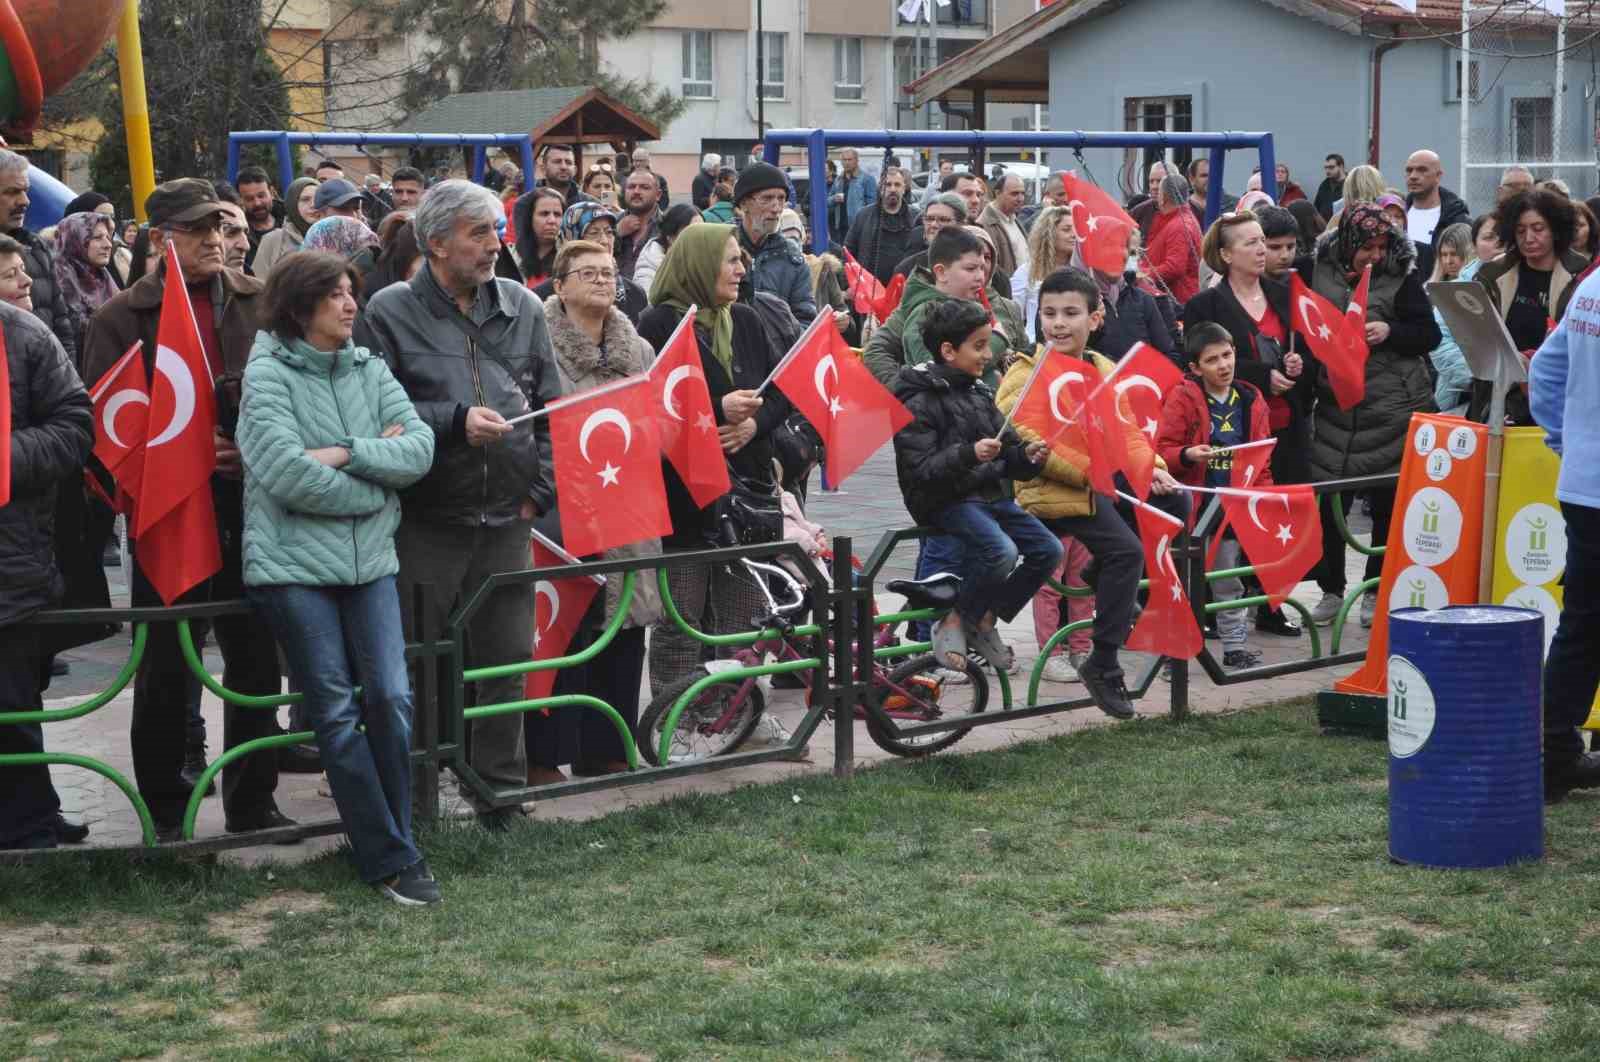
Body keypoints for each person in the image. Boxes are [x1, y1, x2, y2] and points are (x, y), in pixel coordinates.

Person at [81, 178, 291, 842]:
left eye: (220, 228)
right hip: (168, 516)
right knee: (168, 666)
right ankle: (167, 813)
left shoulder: (261, 303)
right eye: (197, 230)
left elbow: (297, 399)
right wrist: (185, 458)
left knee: (256, 658)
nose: (214, 241)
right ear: (160, 238)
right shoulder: (120, 318)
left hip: (253, 506)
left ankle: (253, 802)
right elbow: (105, 430)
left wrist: (252, 452)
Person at [358, 180, 563, 830]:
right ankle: (415, 805)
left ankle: (499, 796)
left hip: (507, 520)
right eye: (479, 233)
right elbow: (371, 411)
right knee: (416, 666)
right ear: (437, 242)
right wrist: (451, 421)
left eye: (496, 230)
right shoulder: (388, 310)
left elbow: (551, 408)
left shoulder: (523, 305)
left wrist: (538, 493)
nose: (495, 244)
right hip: (425, 519)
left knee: (507, 662)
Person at [236, 250, 439, 902]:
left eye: (352, 292)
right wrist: (376, 484)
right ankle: (391, 858)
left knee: (391, 698)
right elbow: (287, 474)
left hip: (370, 563)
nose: (351, 305)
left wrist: (348, 452)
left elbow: (419, 449)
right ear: (300, 307)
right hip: (293, 568)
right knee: (334, 709)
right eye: (335, 295)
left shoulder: (369, 368)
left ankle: (394, 840)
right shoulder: (266, 375)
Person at [996, 267, 1183, 718]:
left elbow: (1127, 433)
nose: (1058, 324)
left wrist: (1153, 469)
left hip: (1090, 486)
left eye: (1070, 313)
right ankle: (1104, 662)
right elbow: (1024, 437)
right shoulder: (1026, 372)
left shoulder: (1102, 368)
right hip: (1048, 493)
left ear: (1095, 319)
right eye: (1050, 314)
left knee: (1174, 502)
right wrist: (1089, 472)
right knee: (1126, 552)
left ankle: (1105, 579)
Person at [527, 239, 663, 781]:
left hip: (626, 498)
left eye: (609, 273)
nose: (603, 281)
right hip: (566, 501)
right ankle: (544, 755)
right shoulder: (537, 344)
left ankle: (607, 746)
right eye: (588, 273)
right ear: (560, 286)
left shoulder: (639, 349)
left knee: (625, 626)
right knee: (566, 628)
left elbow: (655, 416)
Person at [637, 224, 789, 693]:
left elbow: (781, 392)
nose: (742, 269)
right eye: (731, 260)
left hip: (747, 498)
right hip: (687, 500)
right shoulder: (658, 324)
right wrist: (717, 408)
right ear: (699, 265)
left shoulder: (745, 319)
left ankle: (736, 714)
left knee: (742, 620)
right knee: (681, 621)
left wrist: (753, 426)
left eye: (741, 259)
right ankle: (675, 715)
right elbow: (651, 406)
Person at [892, 298, 1058, 674]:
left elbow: (1009, 453)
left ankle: (984, 618)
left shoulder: (978, 392)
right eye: (979, 346)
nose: (987, 354)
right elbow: (921, 470)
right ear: (948, 351)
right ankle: (954, 622)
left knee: (1048, 549)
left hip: (989, 496)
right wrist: (970, 454)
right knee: (1001, 550)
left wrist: (1028, 456)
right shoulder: (918, 399)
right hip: (947, 500)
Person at [1297, 203, 1440, 629]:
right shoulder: (1315, 270)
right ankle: (1331, 589)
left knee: (1385, 507)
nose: (1375, 255)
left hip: (1391, 409)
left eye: (1382, 246)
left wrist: (1391, 332)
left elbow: (1428, 334)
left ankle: (1375, 590)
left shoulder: (1401, 275)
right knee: (1329, 505)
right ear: (1348, 244)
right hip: (1336, 408)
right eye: (1367, 248)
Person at [0, 281, 93, 849]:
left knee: (13, 703)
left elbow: (75, 425)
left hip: (11, 566)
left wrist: (4, 457)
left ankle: (30, 829)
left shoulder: (22, 333)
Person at [1156, 323, 1275, 669]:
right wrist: (1187, 455)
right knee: (1182, 582)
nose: (1223, 365)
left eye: (1227, 355)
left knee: (1228, 580)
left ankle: (1234, 646)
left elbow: (1262, 458)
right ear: (1195, 368)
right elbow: (1161, 450)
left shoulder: (1251, 398)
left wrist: (1263, 498)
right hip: (1193, 507)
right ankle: (1174, 656)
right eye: (1212, 360)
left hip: (1231, 507)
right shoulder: (1182, 398)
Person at [1527, 266, 1600, 800]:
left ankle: (1554, 755)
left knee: (1582, 624)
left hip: (1584, 483)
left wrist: (1567, 442)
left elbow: (1546, 371)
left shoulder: (1591, 288)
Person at [1183, 211, 1310, 485]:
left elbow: (1308, 352)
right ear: (1226, 254)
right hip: (1234, 433)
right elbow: (1197, 368)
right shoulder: (1203, 306)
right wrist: (1262, 376)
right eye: (1251, 243)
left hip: (1287, 428)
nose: (1262, 249)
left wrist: (1298, 364)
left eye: (1262, 240)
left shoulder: (1285, 295)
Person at [1469, 189, 1586, 426]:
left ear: (1556, 229)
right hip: (1500, 398)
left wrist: (1535, 362)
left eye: (1538, 228)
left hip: (1557, 399)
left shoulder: (1582, 275)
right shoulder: (1492, 274)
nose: (1529, 238)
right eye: (1520, 230)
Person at [866, 226, 1012, 391]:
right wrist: (997, 341)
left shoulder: (972, 304)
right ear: (941, 273)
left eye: (982, 267)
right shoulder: (925, 313)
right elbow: (937, 371)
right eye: (970, 269)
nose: (980, 276)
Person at [0, 150, 77, 364]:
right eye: (12, 192)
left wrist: (66, 376)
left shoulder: (37, 248)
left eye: (25, 191)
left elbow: (62, 327)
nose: (24, 201)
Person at [531, 200, 649, 324]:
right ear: (571, 239)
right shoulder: (541, 297)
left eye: (609, 232)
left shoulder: (635, 294)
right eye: (594, 233)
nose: (604, 241)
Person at [732, 162, 816, 321]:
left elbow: (806, 319)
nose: (776, 208)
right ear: (744, 204)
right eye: (767, 198)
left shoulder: (792, 257)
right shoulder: (721, 250)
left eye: (781, 199)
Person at [1084, 229, 1176, 363]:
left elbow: (1168, 355)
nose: (1119, 254)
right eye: (1109, 247)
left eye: (1123, 248)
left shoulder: (1143, 299)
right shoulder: (1079, 302)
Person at [1426, 222, 1477, 415]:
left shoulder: (1475, 289)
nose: (1448, 261)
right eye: (1444, 255)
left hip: (1467, 383)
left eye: (1454, 254)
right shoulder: (1430, 291)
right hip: (1447, 384)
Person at [844, 165, 918, 286]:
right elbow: (848, 252)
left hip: (906, 288)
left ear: (904, 189)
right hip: (869, 287)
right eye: (888, 185)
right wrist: (850, 284)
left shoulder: (916, 217)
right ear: (880, 188)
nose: (892, 189)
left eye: (897, 185)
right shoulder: (864, 216)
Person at [1402, 149, 1470, 279]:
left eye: (1422, 170)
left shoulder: (1457, 220)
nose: (1413, 176)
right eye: (1409, 170)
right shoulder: (1395, 215)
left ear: (1438, 176)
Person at [780, 209, 849, 334]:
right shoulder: (769, 274)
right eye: (786, 240)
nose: (792, 245)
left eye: (795, 238)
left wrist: (844, 322)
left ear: (802, 239)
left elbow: (842, 311)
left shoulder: (822, 269)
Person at [1011, 205, 1073, 343]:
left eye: (1076, 230)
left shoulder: (1082, 271)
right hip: (1036, 344)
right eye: (1066, 229)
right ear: (1049, 233)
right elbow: (1014, 314)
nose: (1073, 235)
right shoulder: (1027, 271)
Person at [1147, 173, 1203, 305]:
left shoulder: (1179, 225)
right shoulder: (1181, 219)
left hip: (1178, 302)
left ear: (1164, 198)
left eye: (1159, 192)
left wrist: (1145, 275)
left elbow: (1174, 267)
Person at [253, 177, 319, 278]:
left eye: (318, 199)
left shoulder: (334, 238)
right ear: (292, 203)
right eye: (305, 200)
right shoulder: (273, 240)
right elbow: (258, 282)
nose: (313, 205)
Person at [892, 192, 965, 280]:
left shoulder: (973, 263)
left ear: (961, 224)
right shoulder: (907, 268)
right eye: (929, 219)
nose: (933, 225)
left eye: (943, 220)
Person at [633, 202, 701, 295]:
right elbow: (647, 301)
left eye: (702, 231)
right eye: (692, 232)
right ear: (670, 237)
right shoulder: (648, 269)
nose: (699, 238)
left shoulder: (701, 262)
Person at [977, 173, 1028, 282]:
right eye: (1014, 194)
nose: (1020, 198)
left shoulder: (1013, 218)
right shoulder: (984, 224)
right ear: (998, 193)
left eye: (1022, 193)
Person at [511, 186, 565, 288]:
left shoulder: (569, 259)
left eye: (557, 214)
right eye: (544, 214)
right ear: (530, 218)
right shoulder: (513, 256)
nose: (552, 220)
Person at [615, 167, 662, 280]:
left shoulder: (669, 226)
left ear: (658, 195)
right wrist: (616, 233)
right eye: (631, 187)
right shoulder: (610, 223)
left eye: (644, 187)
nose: (636, 191)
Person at [829, 148, 877, 233]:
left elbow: (873, 206)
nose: (847, 162)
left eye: (849, 159)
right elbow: (827, 201)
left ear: (857, 161)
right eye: (844, 160)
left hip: (859, 227)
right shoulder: (838, 180)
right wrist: (834, 199)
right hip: (841, 228)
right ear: (841, 162)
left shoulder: (867, 179)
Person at [1185, 156, 1237, 227]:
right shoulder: (1182, 207)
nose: (1209, 179)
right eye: (1204, 175)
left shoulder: (1234, 204)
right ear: (1191, 179)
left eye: (1212, 175)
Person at [1254, 204, 1302, 281]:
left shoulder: (1298, 285)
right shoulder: (1235, 285)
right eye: (1275, 248)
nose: (1285, 256)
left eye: (1290, 247)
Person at [303, 215, 379, 261]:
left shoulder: (370, 253)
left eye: (356, 208)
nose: (353, 214)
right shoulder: (319, 231)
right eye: (342, 208)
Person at [1130, 162, 1169, 244]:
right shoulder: (1138, 212)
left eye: (1159, 181)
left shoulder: (1185, 213)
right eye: (1151, 181)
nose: (1154, 187)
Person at [1314, 154, 1346, 221]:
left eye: (1331, 167)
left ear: (1341, 167)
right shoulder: (1324, 184)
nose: (1327, 171)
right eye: (1326, 168)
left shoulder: (1349, 184)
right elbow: (1316, 207)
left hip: (1342, 224)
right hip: (1324, 224)